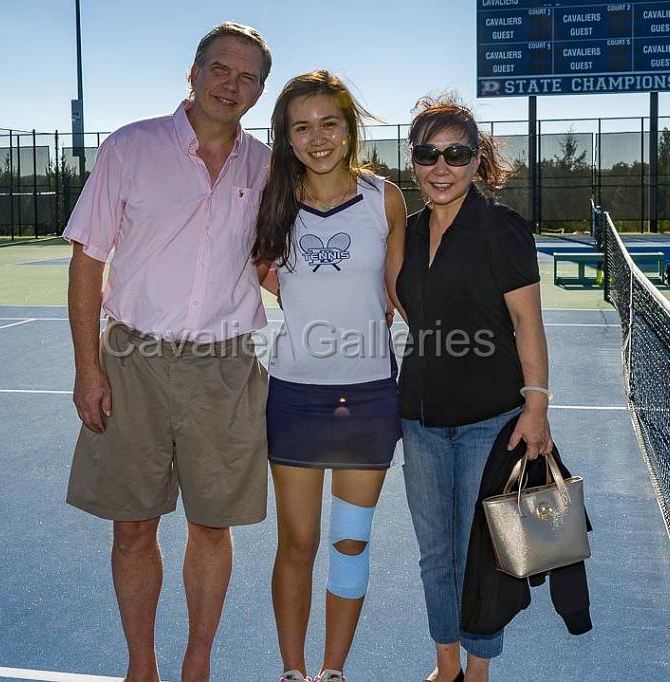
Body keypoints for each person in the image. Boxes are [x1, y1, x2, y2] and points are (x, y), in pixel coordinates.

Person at [62, 23, 272, 682]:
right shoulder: (130, 147)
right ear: (194, 71)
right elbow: (87, 260)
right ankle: (141, 667)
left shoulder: (268, 165)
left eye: (246, 78)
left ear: (259, 91)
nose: (230, 85)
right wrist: (88, 368)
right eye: (220, 69)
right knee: (132, 528)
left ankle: (198, 664)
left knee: (213, 527)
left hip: (227, 367)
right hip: (133, 364)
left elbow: (274, 266)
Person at [252, 70, 407, 682]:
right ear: (287, 138)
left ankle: (333, 671)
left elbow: (398, 290)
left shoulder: (384, 197)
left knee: (350, 543)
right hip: (294, 397)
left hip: (369, 398)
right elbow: (263, 268)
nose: (317, 138)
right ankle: (293, 672)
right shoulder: (274, 200)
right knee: (298, 544)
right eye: (302, 127)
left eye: (329, 123)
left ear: (349, 129)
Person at [395, 94, 552, 682]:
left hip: (492, 420)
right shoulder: (403, 235)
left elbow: (527, 323)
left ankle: (479, 670)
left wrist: (536, 406)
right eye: (428, 153)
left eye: (456, 154)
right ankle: (445, 667)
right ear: (412, 161)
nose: (441, 166)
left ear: (476, 159)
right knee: (435, 552)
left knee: (482, 551)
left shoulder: (503, 228)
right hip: (419, 420)